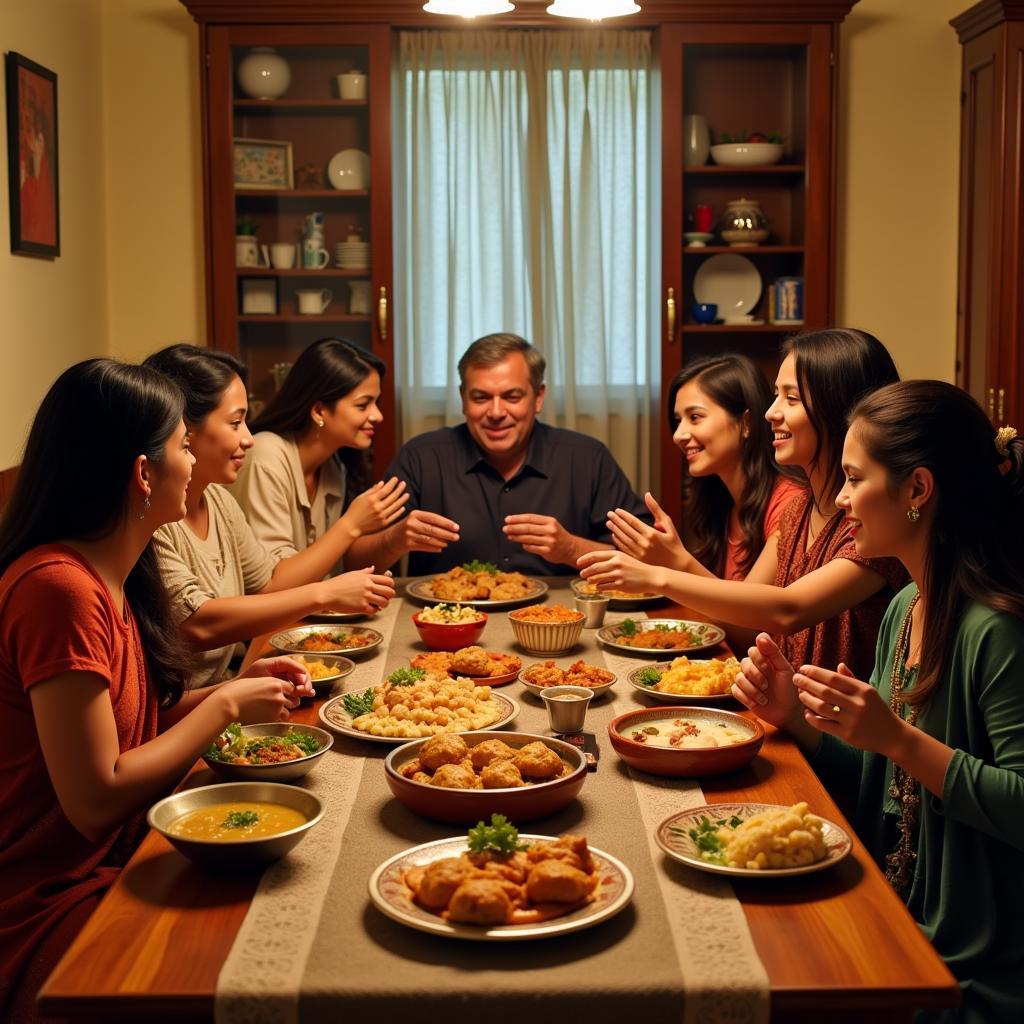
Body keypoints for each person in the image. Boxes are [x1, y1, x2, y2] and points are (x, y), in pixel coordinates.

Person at [0, 359, 314, 1022]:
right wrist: (226, 704)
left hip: (116, 848)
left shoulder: (113, 571)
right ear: (143, 474)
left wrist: (236, 687)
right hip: (44, 891)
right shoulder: (57, 589)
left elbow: (136, 723)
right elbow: (93, 799)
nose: (193, 461)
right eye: (181, 445)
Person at [733, 381, 1024, 1023]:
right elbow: (884, 793)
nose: (839, 499)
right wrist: (798, 720)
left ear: (917, 490)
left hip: (974, 968)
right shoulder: (904, 607)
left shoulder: (996, 631)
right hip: (896, 914)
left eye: (853, 478)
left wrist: (896, 738)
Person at [579, 328, 907, 680]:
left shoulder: (873, 523)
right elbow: (748, 617)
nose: (770, 413)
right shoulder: (798, 514)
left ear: (841, 409)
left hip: (829, 731)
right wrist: (670, 564)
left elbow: (787, 609)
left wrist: (662, 574)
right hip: (787, 714)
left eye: (791, 399)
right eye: (774, 396)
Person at [143, 345, 395, 689]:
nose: (249, 438)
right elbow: (195, 626)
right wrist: (325, 591)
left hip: (216, 690)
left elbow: (268, 585)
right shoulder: (151, 515)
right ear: (183, 430)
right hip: (180, 709)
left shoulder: (218, 500)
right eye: (235, 422)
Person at [345, 332, 650, 576]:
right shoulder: (421, 458)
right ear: (463, 399)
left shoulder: (586, 458)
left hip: (561, 629)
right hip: (445, 632)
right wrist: (395, 539)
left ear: (538, 397)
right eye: (480, 398)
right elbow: (354, 565)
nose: (496, 412)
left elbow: (647, 563)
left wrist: (570, 549)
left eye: (512, 396)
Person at [606, 354, 804, 581]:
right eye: (678, 420)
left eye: (695, 417)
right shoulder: (722, 500)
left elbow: (747, 613)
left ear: (746, 423)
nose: (678, 435)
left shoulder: (789, 503)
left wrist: (675, 562)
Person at [232, 337, 407, 565]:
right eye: (363, 405)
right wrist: (352, 524)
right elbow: (271, 580)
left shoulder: (334, 468)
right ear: (318, 411)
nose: (378, 416)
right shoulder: (265, 457)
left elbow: (330, 568)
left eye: (377, 403)